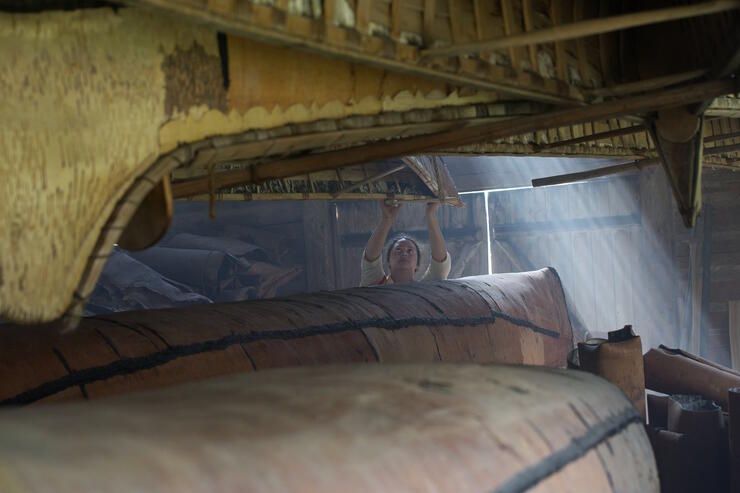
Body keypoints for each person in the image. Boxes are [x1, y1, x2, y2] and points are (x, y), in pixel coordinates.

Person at [360, 200, 451, 286]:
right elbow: (370, 260)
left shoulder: (425, 290)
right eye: (398, 250)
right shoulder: (375, 284)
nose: (404, 253)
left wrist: (431, 214)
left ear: (417, 265)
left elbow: (440, 265)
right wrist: (386, 219)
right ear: (388, 262)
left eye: (410, 251)